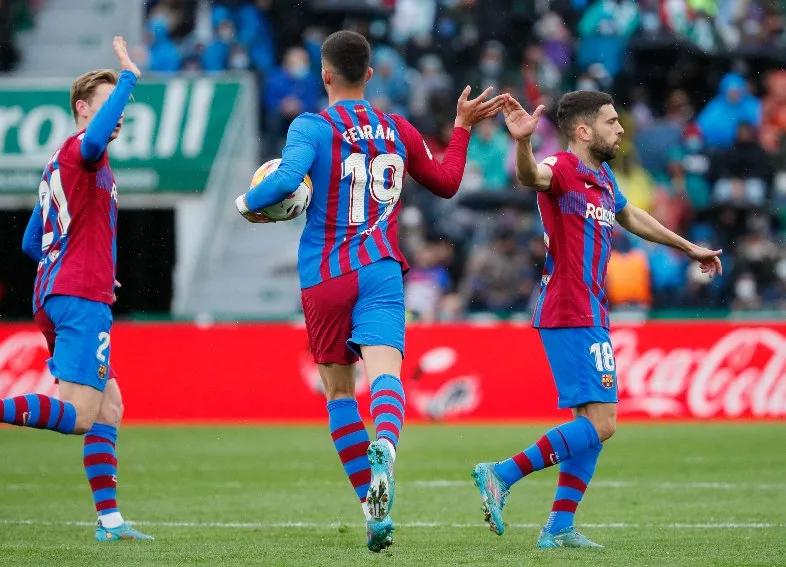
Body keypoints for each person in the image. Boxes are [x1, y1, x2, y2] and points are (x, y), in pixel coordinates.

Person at [235, 30, 504, 552]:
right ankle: (386, 442)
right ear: (372, 74)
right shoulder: (395, 127)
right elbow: (448, 181)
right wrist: (462, 127)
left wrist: (246, 205)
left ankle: (372, 511)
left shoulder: (310, 126)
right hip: (379, 268)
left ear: (325, 74)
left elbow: (285, 181)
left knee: (340, 393)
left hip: (325, 278)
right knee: (386, 376)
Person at [471, 91, 722, 548]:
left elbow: (631, 215)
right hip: (568, 308)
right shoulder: (563, 170)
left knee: (592, 424)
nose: (620, 128)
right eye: (610, 122)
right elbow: (531, 177)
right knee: (603, 422)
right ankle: (500, 474)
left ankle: (560, 527)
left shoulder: (603, 177)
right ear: (583, 131)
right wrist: (523, 144)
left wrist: (688, 247)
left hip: (591, 310)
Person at [0, 37, 152, 542]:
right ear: (83, 110)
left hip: (63, 291)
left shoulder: (60, 164)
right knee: (81, 415)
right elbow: (97, 139)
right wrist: (128, 78)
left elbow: (33, 239)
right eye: (106, 106)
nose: (117, 116)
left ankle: (110, 521)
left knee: (110, 406)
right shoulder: (84, 151)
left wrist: (82, 264)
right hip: (79, 298)